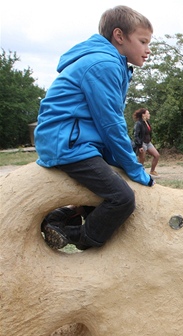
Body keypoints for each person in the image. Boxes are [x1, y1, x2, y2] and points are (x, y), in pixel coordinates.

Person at [35, 5, 154, 250]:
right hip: (68, 144)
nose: (148, 49)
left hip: (74, 140)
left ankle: (62, 217)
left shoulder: (110, 63)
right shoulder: (103, 65)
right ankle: (79, 236)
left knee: (104, 190)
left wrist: (118, 161)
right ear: (119, 36)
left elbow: (103, 122)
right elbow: (111, 123)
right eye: (143, 41)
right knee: (122, 198)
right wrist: (134, 169)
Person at [133, 108, 160, 177]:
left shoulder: (147, 122)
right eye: (148, 113)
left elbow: (149, 133)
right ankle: (139, 173)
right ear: (143, 115)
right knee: (142, 159)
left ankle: (152, 171)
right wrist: (140, 146)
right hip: (142, 143)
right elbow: (136, 135)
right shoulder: (138, 123)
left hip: (148, 142)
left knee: (156, 155)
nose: (149, 115)